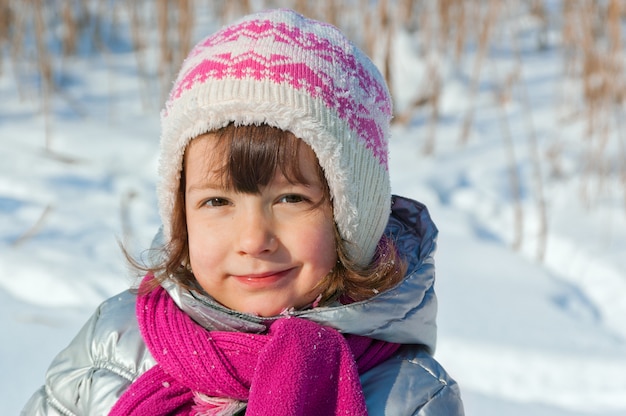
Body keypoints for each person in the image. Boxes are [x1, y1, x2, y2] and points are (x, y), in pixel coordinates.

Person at [22, 8, 464, 416]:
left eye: (290, 199)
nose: (254, 240)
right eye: (217, 201)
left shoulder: (408, 397)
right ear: (182, 216)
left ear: (353, 214)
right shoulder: (115, 342)